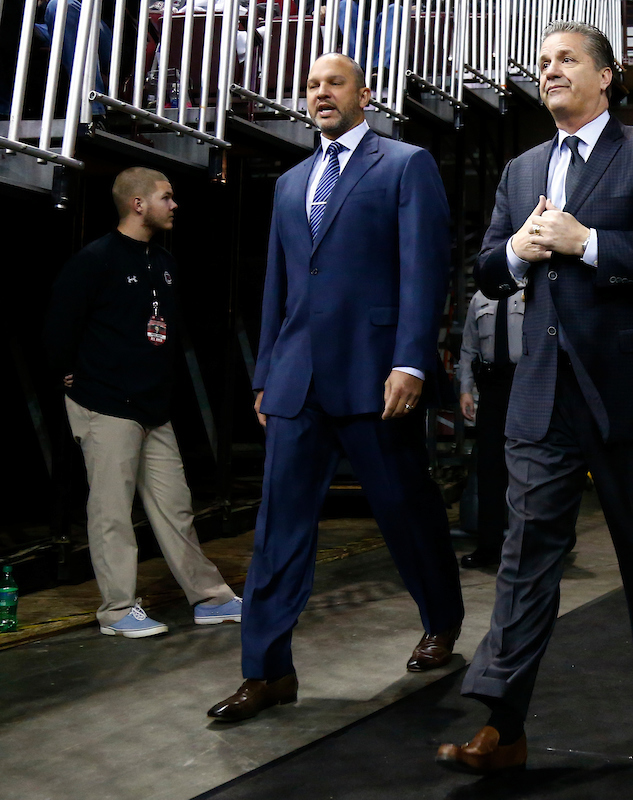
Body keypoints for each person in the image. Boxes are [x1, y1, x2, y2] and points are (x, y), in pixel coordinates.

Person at [435, 21, 633, 774]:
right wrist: (515, 255)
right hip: (541, 396)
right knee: (525, 557)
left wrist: (588, 242)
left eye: (567, 60)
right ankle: (504, 721)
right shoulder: (522, 170)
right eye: (544, 61)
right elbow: (488, 271)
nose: (550, 69)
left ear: (605, 77)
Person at [207, 53, 464, 722]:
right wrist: (267, 374)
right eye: (313, 84)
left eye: (335, 83)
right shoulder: (290, 182)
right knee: (279, 529)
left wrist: (411, 360)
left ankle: (441, 620)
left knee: (405, 510)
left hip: (376, 374)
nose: (321, 92)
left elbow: (423, 269)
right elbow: (279, 288)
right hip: (297, 379)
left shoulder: (405, 165)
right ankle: (267, 672)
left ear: (364, 94)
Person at [44, 167, 243, 638]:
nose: (174, 206)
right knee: (111, 510)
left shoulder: (165, 264)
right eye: (166, 198)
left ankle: (210, 599)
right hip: (107, 405)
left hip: (153, 409)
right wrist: (68, 375)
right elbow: (58, 327)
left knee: (175, 508)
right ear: (138, 204)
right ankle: (116, 611)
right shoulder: (96, 260)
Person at [457, 288, 524, 568]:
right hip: (492, 388)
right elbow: (468, 348)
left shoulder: (533, 289)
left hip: (525, 383)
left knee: (527, 470)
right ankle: (489, 547)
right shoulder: (480, 297)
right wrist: (465, 390)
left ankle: (528, 548)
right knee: (489, 470)